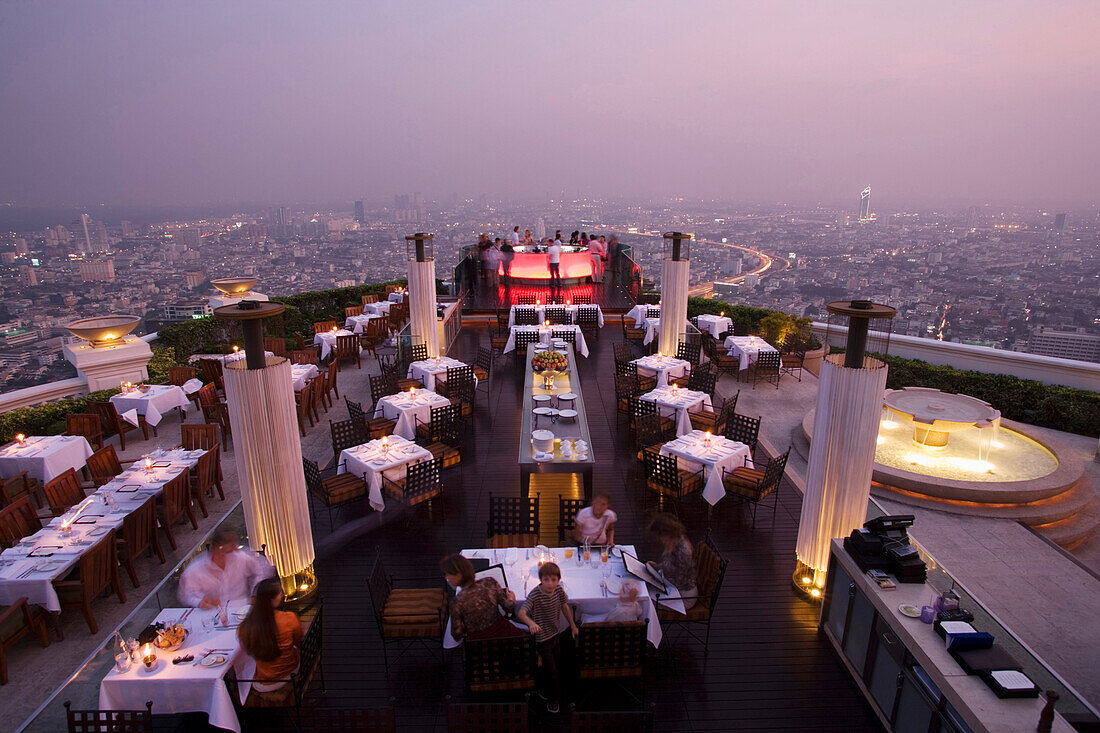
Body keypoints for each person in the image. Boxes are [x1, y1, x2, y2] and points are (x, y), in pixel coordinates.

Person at [516, 562, 578, 713]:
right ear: (540, 580)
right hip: (541, 639)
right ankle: (553, 698)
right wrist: (531, 623)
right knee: (552, 671)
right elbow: (521, 613)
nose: (550, 584)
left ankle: (546, 688)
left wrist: (573, 625)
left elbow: (564, 606)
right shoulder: (535, 594)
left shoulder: (559, 591)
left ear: (558, 580)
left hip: (555, 635)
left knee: (556, 664)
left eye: (553, 580)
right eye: (546, 580)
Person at [238, 577, 303, 697]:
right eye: (280, 593)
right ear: (273, 600)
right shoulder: (289, 618)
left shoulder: (245, 627)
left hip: (263, 683)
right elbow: (299, 643)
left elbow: (247, 650)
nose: (282, 595)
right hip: (290, 672)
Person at [178, 529, 275, 609]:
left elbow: (264, 569)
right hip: (213, 613)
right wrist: (199, 602)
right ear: (214, 547)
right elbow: (187, 595)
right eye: (222, 550)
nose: (228, 554)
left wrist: (255, 593)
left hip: (242, 610)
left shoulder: (240, 558)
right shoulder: (196, 570)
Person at [441, 554, 522, 641]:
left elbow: (457, 635)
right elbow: (509, 608)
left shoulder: (456, 602)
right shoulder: (489, 583)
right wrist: (511, 599)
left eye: (448, 574)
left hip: (479, 647)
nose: (446, 577)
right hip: (505, 638)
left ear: (457, 576)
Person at [646, 514, 698, 610]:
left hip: (683, 595)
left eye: (661, 536)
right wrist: (656, 566)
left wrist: (656, 574)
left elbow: (677, 576)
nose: (660, 539)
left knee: (646, 600)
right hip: (673, 587)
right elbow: (671, 566)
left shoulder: (683, 551)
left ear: (669, 532)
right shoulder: (674, 541)